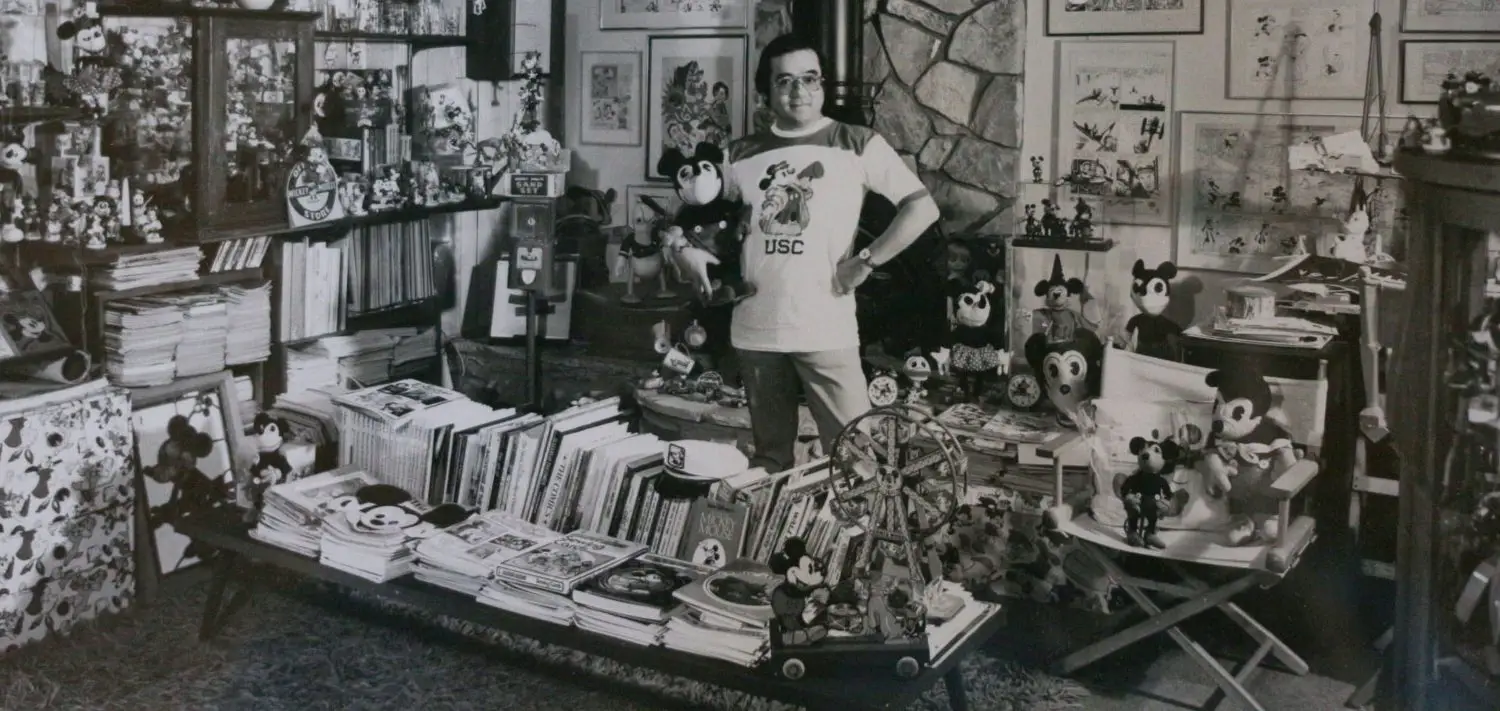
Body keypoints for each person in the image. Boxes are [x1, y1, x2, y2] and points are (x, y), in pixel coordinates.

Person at [701, 33, 939, 473]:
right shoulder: (739, 154)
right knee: (769, 460)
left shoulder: (856, 142)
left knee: (859, 464)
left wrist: (867, 261)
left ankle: (856, 541)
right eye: (785, 81)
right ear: (766, 90)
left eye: (810, 79)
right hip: (756, 329)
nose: (799, 92)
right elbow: (697, 216)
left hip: (826, 328)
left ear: (823, 85)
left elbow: (922, 208)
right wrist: (691, 250)